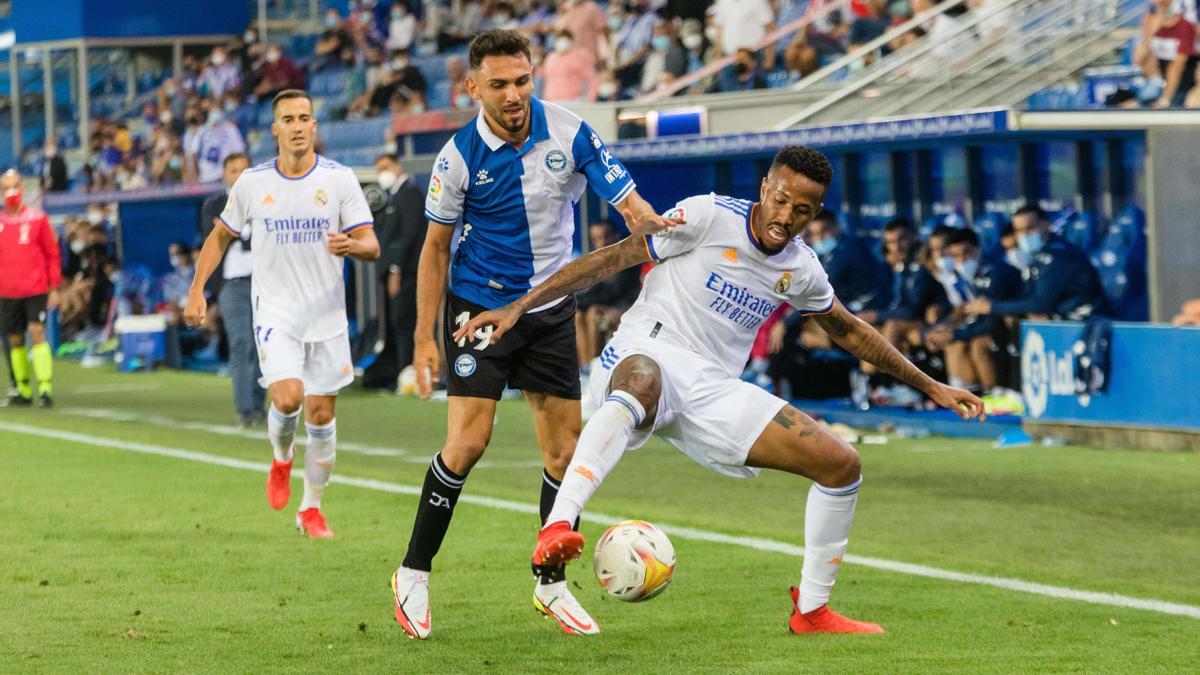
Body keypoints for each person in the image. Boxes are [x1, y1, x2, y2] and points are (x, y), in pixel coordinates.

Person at [455, 146, 984, 635]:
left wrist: (931, 384)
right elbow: (610, 259)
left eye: (803, 210)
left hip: (712, 387)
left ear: (816, 211)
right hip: (647, 349)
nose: (786, 217)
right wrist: (519, 306)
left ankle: (813, 611)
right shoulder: (708, 215)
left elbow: (848, 329)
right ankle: (558, 526)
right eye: (780, 199)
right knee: (643, 381)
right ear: (764, 187)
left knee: (841, 464)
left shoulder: (800, 267)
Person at [391, 29, 681, 640]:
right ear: (473, 88)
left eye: (522, 80)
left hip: (550, 308)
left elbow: (629, 205)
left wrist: (660, 227)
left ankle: (549, 585)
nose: (515, 93)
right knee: (468, 444)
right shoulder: (458, 157)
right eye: (499, 84)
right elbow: (434, 250)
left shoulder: (571, 132)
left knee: (564, 454)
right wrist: (423, 336)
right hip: (480, 312)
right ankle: (413, 573)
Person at [184, 89, 380, 539]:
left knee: (322, 417)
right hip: (275, 311)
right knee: (288, 398)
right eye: (288, 118)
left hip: (327, 315)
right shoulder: (253, 183)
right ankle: (281, 457)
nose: (297, 125)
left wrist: (354, 246)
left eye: (304, 117)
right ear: (275, 128)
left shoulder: (339, 179)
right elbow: (219, 238)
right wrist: (197, 290)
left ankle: (311, 508)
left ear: (314, 126)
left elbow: (371, 244)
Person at [200, 152, 265, 427]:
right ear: (224, 175)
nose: (238, 175)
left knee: (264, 345)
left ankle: (259, 405)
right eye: (233, 170)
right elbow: (215, 237)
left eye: (243, 170)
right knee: (241, 343)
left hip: (264, 282)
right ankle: (245, 408)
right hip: (232, 284)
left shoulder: (264, 201)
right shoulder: (214, 204)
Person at [963, 205, 1109, 322]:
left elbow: (1040, 303)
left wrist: (992, 307)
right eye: (1019, 231)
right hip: (1060, 323)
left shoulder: (1060, 255)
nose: (1025, 235)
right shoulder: (1038, 255)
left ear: (1046, 224)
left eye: (1030, 228)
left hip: (1085, 323)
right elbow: (1028, 297)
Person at [0, 170, 60, 407]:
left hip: (35, 289)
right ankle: (22, 390)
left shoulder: (38, 218)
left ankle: (45, 388)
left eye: (15, 186)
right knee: (14, 340)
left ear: (22, 189)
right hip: (6, 291)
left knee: (37, 333)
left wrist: (54, 287)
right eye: (6, 188)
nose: (11, 192)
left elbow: (52, 254)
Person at [368, 152, 426, 387]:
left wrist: (395, 270)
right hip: (398, 273)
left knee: (405, 323)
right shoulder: (393, 198)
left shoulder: (409, 194)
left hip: (407, 275)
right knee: (398, 324)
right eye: (379, 168)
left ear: (397, 166)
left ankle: (409, 374)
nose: (383, 173)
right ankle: (402, 372)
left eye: (386, 167)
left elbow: (409, 236)